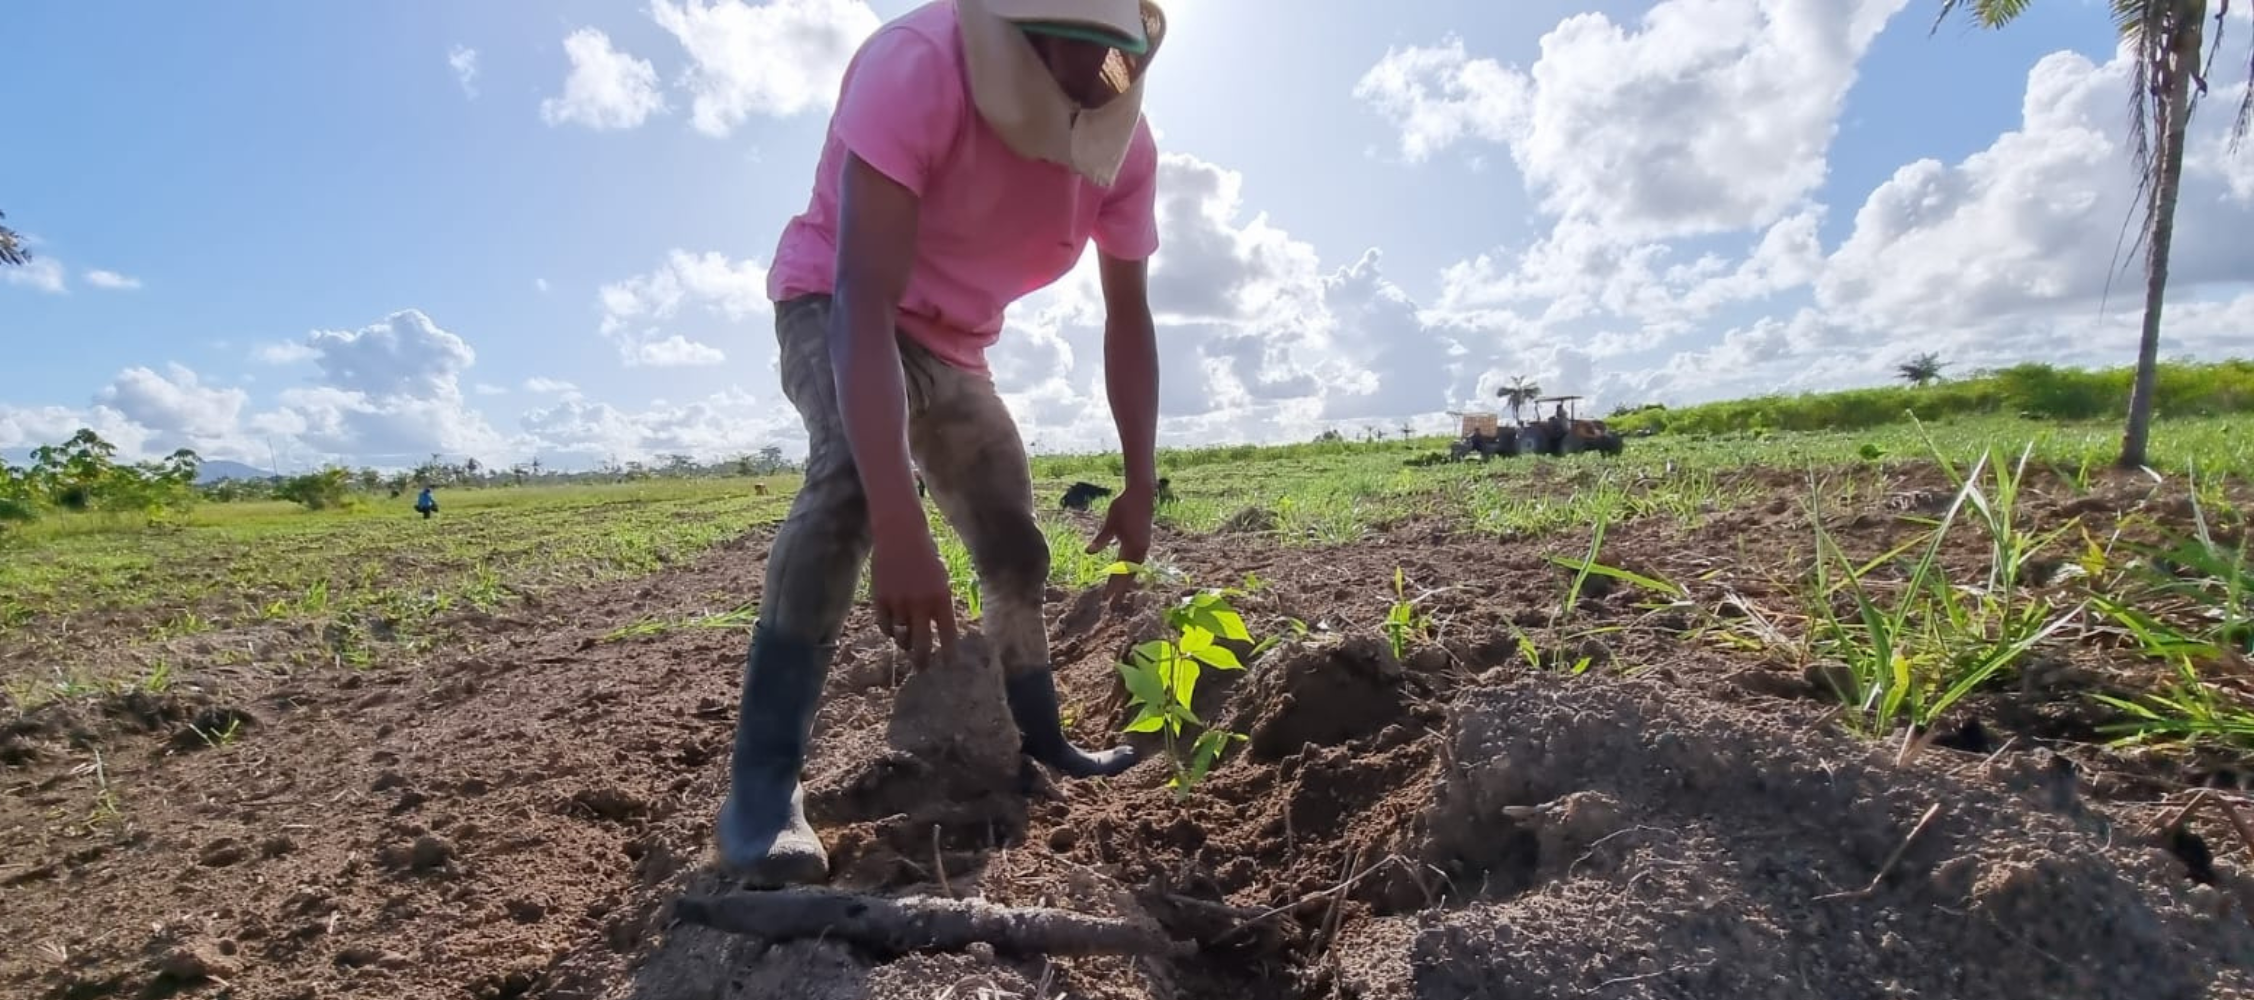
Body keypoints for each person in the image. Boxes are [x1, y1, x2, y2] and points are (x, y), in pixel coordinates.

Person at [718, 0, 1169, 889]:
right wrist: (900, 517)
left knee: (1012, 538)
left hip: (957, 343)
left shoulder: (1125, 151)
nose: (1087, 83)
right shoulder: (919, 65)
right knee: (849, 480)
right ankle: (762, 793)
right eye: (1069, 54)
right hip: (838, 303)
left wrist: (1140, 481)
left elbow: (1129, 319)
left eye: (1111, 63)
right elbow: (864, 299)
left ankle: (1038, 732)